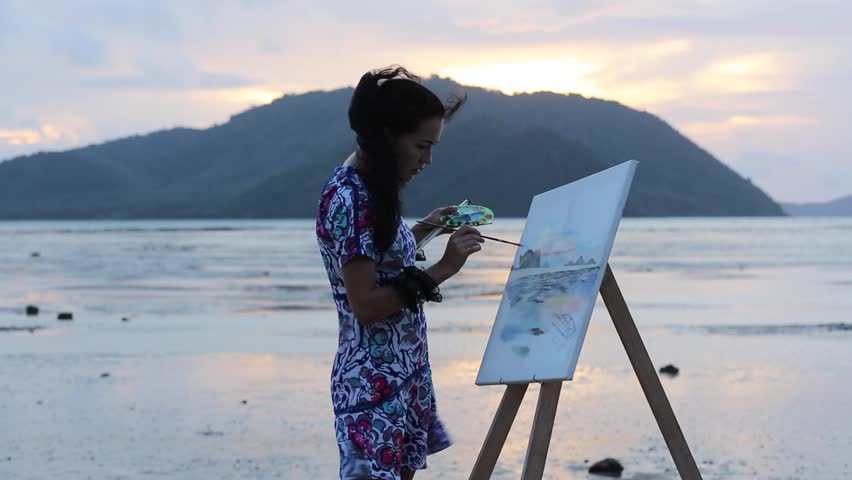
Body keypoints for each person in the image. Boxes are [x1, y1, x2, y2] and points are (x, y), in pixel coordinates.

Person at [315, 65, 484, 480]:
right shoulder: (353, 200)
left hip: (401, 375)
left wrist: (424, 228)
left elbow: (380, 256)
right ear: (388, 135)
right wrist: (444, 268)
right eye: (422, 145)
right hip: (372, 388)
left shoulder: (372, 191)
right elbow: (366, 305)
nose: (427, 160)